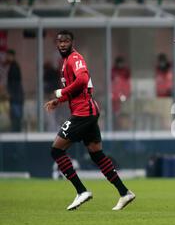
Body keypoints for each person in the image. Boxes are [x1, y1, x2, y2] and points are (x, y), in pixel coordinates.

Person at [44, 30, 135, 211]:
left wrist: (61, 92)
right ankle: (125, 192)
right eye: (59, 41)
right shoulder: (66, 62)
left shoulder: (74, 58)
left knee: (56, 150)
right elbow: (77, 89)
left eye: (66, 41)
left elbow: (83, 79)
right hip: (88, 111)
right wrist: (59, 100)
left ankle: (81, 191)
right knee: (96, 154)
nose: (62, 44)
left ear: (72, 42)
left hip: (83, 112)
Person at [6, 49, 24, 132]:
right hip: (17, 96)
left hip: (16, 97)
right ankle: (16, 132)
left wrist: (10, 93)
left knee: (16, 117)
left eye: (8, 56)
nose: (7, 58)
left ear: (11, 56)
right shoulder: (14, 66)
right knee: (16, 117)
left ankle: (16, 133)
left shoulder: (14, 67)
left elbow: (14, 83)